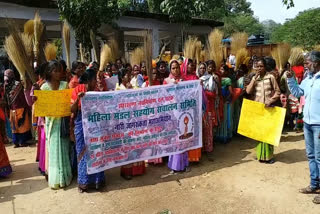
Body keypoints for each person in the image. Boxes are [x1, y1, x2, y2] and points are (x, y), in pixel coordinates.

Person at [287, 51, 320, 204]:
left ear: (317, 62)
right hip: (307, 123)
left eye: (308, 63)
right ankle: (314, 185)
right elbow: (298, 92)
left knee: (319, 158)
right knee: (311, 156)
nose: (305, 65)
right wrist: (290, 79)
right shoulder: (308, 79)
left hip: (319, 125)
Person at [71, 69, 105, 193]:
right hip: (81, 123)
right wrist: (78, 100)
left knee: (96, 151)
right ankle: (83, 182)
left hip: (95, 123)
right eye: (94, 80)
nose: (96, 82)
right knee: (82, 152)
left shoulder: (96, 92)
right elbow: (72, 109)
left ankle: (97, 181)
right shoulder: (77, 90)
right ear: (89, 80)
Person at [39, 60, 72, 189]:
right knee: (53, 150)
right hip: (51, 124)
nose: (59, 73)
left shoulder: (65, 85)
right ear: (49, 72)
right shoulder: (44, 87)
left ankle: (65, 177)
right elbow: (42, 110)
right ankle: (56, 179)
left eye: (60, 71)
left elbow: (69, 103)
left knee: (64, 149)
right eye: (55, 71)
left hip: (63, 122)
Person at [246, 58, 280, 164]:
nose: (259, 68)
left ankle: (269, 156)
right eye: (257, 66)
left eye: (261, 66)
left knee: (268, 133)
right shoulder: (254, 78)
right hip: (258, 109)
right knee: (259, 133)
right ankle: (260, 155)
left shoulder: (270, 77)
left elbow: (278, 92)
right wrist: (253, 80)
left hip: (269, 109)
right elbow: (248, 91)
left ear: (265, 67)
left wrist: (271, 100)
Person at [164, 60, 189, 173]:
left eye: (177, 67)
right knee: (175, 139)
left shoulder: (185, 80)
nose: (175, 70)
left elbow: (189, 93)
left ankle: (184, 164)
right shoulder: (166, 81)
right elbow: (163, 97)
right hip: (173, 113)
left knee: (184, 137)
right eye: (173, 68)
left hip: (184, 112)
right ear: (170, 69)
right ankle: (174, 165)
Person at [4, 69, 32, 148]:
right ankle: (22, 141)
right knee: (22, 125)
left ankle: (16, 142)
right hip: (20, 107)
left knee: (15, 126)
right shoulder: (18, 84)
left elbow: (6, 98)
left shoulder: (5, 85)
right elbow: (22, 97)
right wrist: (27, 106)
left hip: (12, 109)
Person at [197, 62, 218, 159]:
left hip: (208, 106)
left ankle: (208, 149)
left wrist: (202, 90)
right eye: (200, 68)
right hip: (197, 108)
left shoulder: (210, 79)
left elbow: (213, 94)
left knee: (208, 129)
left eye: (203, 68)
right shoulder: (195, 79)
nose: (201, 70)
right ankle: (200, 149)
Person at [215, 65, 234, 143]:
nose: (221, 70)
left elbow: (231, 92)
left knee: (225, 118)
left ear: (226, 71)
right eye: (220, 69)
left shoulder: (227, 80)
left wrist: (225, 99)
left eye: (223, 69)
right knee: (220, 117)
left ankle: (225, 136)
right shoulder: (216, 78)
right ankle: (219, 136)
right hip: (219, 101)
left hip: (225, 102)